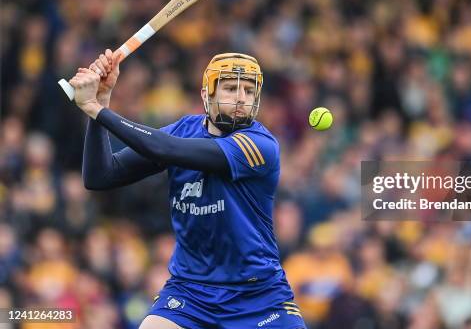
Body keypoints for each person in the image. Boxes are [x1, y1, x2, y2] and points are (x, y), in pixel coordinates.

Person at [69, 49, 307, 329]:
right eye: (231, 88)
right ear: (206, 95)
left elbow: (163, 148)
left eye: (249, 91)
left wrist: (97, 110)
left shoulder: (260, 145)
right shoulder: (184, 130)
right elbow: (100, 176)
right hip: (190, 293)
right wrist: (100, 104)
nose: (242, 97)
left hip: (256, 296)